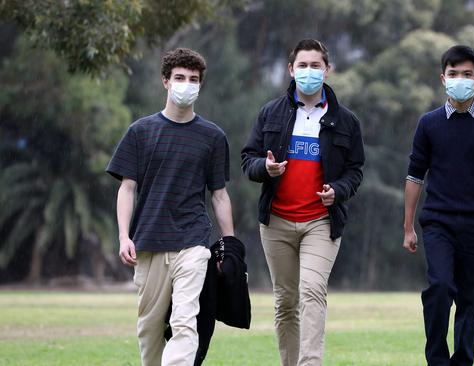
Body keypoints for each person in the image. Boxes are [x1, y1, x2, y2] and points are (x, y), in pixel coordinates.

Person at [106, 48, 234, 366]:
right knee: (149, 331)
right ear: (166, 81)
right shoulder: (140, 132)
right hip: (149, 243)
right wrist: (124, 236)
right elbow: (127, 188)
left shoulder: (213, 137)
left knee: (184, 321)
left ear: (200, 85)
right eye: (179, 78)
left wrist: (229, 244)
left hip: (193, 242)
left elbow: (219, 195)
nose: (186, 84)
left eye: (193, 79)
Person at [241, 39, 364, 366]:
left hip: (321, 222)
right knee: (286, 302)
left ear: (327, 70)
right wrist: (265, 168)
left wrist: (337, 190)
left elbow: (355, 171)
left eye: (316, 66)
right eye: (303, 66)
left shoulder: (346, 121)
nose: (309, 72)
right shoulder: (271, 113)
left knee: (311, 291)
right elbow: (247, 160)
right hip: (277, 222)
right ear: (291, 70)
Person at [402, 45, 474, 366]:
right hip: (437, 223)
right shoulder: (429, 123)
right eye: (453, 74)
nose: (460, 80)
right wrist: (408, 226)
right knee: (439, 288)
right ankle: (437, 360)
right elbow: (414, 176)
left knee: (470, 300)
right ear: (442, 78)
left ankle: (463, 362)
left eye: (467, 74)